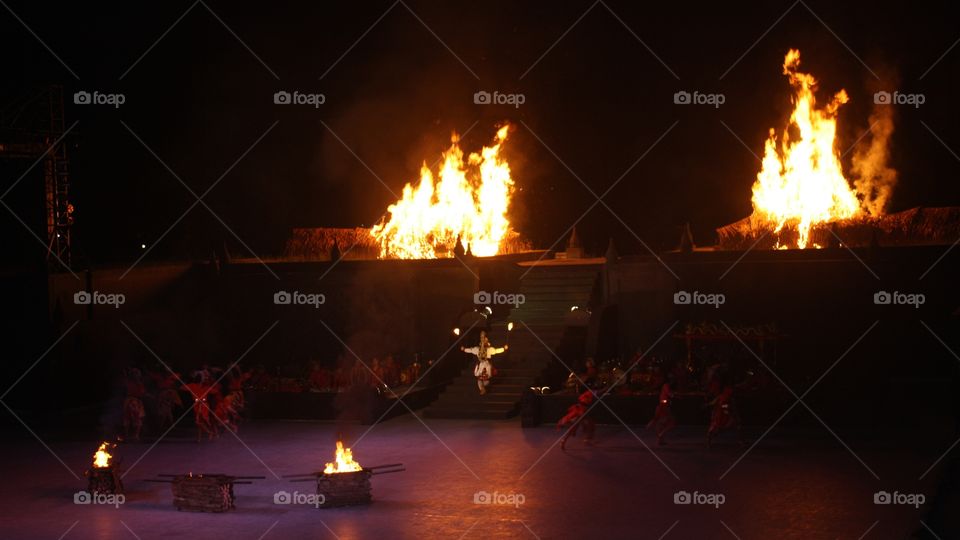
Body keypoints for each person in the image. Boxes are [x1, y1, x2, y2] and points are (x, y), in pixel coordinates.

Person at [461, 331, 508, 395]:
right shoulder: (477, 349)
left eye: (484, 340)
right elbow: (471, 350)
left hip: (486, 364)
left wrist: (503, 349)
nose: (483, 341)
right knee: (480, 379)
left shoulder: (489, 349)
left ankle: (483, 388)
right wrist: (464, 349)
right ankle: (482, 388)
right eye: (482, 339)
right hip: (481, 365)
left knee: (486, 378)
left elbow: (496, 351)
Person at [706, 383, 742, 448]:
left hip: (726, 415)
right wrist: (708, 405)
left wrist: (732, 413)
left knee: (737, 427)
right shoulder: (721, 397)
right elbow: (716, 404)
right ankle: (708, 442)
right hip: (720, 415)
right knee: (713, 430)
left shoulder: (731, 399)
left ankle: (740, 441)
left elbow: (731, 407)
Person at [647, 379, 676, 445]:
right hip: (664, 406)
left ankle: (660, 439)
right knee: (670, 422)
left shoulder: (665, 386)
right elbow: (669, 394)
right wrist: (673, 395)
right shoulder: (666, 385)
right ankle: (661, 435)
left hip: (663, 406)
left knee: (659, 422)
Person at [122, 368, 147, 441]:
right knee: (134, 418)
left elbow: (142, 393)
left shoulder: (130, 382)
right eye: (136, 374)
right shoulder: (134, 383)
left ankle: (132, 435)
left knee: (129, 419)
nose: (137, 376)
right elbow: (142, 393)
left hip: (130, 401)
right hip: (133, 402)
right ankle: (134, 435)